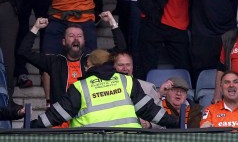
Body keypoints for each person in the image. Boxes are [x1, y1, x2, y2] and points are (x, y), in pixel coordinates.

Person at [31, 49, 179, 129]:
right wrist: (176, 122)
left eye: (86, 64)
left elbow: (56, 115)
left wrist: (31, 126)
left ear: (90, 65)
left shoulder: (80, 87)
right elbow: (150, 111)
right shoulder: (127, 81)